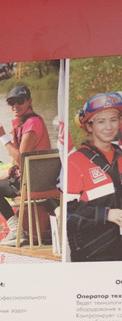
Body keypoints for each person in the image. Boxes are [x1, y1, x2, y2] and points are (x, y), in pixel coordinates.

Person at [0, 82, 52, 244]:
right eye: (11, 102)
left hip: (33, 182)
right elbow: (16, 159)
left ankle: (17, 231)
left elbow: (21, 158)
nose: (15, 105)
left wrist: (3, 137)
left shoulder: (32, 123)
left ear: (29, 101)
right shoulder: (24, 122)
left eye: (20, 101)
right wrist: (9, 171)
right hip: (40, 178)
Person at [66, 90, 122, 262]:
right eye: (101, 121)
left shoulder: (120, 156)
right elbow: (68, 214)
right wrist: (106, 214)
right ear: (89, 126)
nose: (109, 127)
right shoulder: (75, 161)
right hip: (94, 252)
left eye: (113, 120)